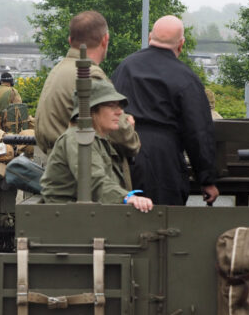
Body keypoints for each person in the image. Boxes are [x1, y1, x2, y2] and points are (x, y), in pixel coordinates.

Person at [112, 15, 218, 206]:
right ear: (181, 44)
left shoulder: (125, 67)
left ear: (150, 37)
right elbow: (198, 131)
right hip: (164, 159)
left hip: (124, 153)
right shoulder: (185, 77)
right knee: (165, 222)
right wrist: (206, 178)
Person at [35, 11, 140, 165]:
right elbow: (122, 136)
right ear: (105, 40)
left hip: (60, 167)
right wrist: (129, 128)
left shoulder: (58, 70)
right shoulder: (90, 75)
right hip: (83, 172)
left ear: (70, 40)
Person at [40, 79, 153, 213]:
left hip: (87, 217)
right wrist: (126, 197)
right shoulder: (77, 138)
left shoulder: (97, 139)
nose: (120, 112)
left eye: (119, 106)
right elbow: (93, 179)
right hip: (70, 221)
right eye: (112, 106)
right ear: (92, 110)